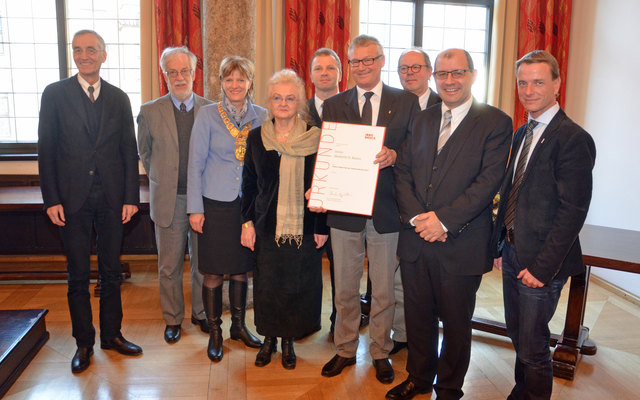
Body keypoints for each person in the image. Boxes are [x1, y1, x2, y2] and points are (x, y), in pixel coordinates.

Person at [388, 48, 512, 400]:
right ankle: (419, 378)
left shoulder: (496, 122)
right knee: (418, 317)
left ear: (473, 75)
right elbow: (403, 171)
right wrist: (417, 218)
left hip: (461, 242)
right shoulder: (423, 118)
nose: (449, 80)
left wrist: (442, 221)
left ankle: (449, 388)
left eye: (457, 73)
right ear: (434, 78)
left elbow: (489, 182)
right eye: (443, 74)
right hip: (416, 240)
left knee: (457, 323)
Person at [491, 50, 596, 400]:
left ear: (556, 84)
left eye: (538, 82)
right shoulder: (523, 131)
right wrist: (500, 246)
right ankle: (521, 393)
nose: (529, 89)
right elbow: (511, 193)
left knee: (534, 346)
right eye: (523, 82)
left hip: (542, 263)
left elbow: (573, 211)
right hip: (513, 250)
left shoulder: (572, 138)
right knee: (518, 336)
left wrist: (543, 269)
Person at [38, 29, 142, 374]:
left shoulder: (119, 98)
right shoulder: (54, 95)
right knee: (78, 275)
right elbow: (46, 150)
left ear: (104, 55)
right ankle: (84, 342)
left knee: (111, 272)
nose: (84, 55)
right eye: (78, 50)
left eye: (91, 50)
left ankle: (112, 335)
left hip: (113, 199)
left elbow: (130, 149)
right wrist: (51, 199)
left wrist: (131, 197)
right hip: (70, 200)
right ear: (73, 54)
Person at [320, 34, 420, 385]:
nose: (362, 67)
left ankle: (380, 349)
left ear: (380, 61)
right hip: (345, 209)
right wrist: (320, 185)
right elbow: (327, 155)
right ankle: (345, 348)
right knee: (344, 285)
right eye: (355, 61)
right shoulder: (334, 104)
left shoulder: (405, 102)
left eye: (368, 60)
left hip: (388, 209)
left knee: (383, 288)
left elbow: (417, 152)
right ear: (349, 65)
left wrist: (395, 156)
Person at [240, 69, 328, 370]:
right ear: (269, 102)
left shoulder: (314, 139)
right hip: (266, 227)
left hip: (303, 228)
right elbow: (248, 185)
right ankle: (269, 340)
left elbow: (322, 186)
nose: (284, 103)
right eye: (277, 98)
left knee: (296, 285)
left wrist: (320, 228)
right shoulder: (256, 138)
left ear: (299, 102)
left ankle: (289, 340)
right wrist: (247, 223)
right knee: (267, 286)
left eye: (290, 98)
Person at [187, 56, 266, 362]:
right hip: (214, 204)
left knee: (241, 270)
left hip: (247, 206)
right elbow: (194, 164)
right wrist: (195, 208)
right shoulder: (207, 115)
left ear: (250, 83)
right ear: (221, 82)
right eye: (229, 79)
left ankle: (239, 327)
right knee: (213, 271)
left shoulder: (261, 115)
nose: (235, 85)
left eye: (241, 79)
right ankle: (216, 331)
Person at [137, 46, 211, 344]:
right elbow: (145, 153)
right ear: (164, 75)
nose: (179, 77)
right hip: (168, 200)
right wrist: (163, 177)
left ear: (194, 74)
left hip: (203, 202)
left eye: (185, 71)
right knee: (168, 266)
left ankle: (202, 313)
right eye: (173, 71)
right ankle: (173, 318)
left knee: (202, 263)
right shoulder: (149, 111)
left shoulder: (211, 110)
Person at [390, 47, 444, 357]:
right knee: (399, 277)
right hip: (397, 206)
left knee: (430, 282)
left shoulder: (444, 104)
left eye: (416, 67)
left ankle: (426, 339)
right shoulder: (392, 104)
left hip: (435, 214)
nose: (409, 73)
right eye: (403, 68)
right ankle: (403, 334)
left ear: (428, 72)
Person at [307, 47, 341, 338]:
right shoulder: (298, 109)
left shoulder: (355, 109)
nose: (325, 73)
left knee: (343, 271)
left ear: (340, 74)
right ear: (311, 74)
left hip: (343, 205)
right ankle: (306, 320)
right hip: (306, 205)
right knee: (306, 268)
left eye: (331, 68)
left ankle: (339, 323)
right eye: (319, 68)